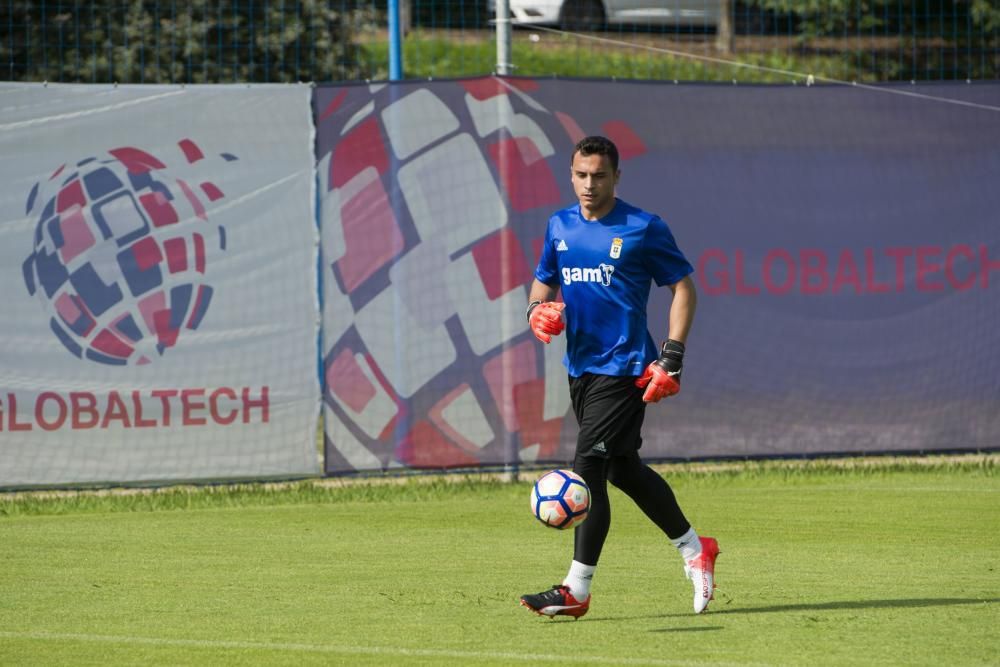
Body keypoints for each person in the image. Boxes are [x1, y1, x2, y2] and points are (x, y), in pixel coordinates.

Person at [519, 135, 720, 618]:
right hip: (581, 368)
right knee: (621, 467)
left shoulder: (642, 227)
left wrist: (671, 357)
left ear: (616, 177)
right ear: (571, 175)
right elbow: (544, 280)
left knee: (586, 470)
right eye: (581, 175)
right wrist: (535, 310)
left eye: (600, 175)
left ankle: (576, 589)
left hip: (626, 366)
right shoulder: (559, 225)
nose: (590, 184)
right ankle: (696, 548)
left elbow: (683, 289)